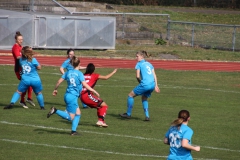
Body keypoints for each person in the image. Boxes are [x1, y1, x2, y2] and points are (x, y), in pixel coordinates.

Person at [47, 56, 100, 135]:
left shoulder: (67, 72)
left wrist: (55, 89)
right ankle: (55, 110)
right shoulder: (79, 74)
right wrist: (93, 90)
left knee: (78, 113)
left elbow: (59, 81)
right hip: (72, 97)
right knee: (71, 117)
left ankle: (73, 131)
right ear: (79, 64)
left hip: (67, 95)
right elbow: (85, 84)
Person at [119, 50, 160, 121]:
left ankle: (128, 114)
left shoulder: (139, 64)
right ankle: (147, 116)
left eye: (137, 56)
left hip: (145, 84)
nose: (136, 57)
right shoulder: (149, 64)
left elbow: (137, 76)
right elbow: (154, 75)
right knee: (144, 98)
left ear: (142, 56)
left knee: (130, 95)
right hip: (152, 85)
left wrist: (140, 82)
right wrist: (156, 85)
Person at [80, 63, 117, 127]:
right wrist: (113, 72)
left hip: (82, 96)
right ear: (93, 69)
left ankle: (101, 121)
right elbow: (106, 77)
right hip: (87, 96)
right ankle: (100, 121)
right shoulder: (94, 75)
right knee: (104, 105)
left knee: (99, 106)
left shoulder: (82, 75)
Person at [11, 31, 35, 108]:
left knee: (29, 82)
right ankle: (22, 101)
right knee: (26, 83)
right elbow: (18, 57)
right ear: (16, 40)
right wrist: (25, 55)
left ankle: (28, 98)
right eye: (19, 39)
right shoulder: (15, 47)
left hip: (24, 68)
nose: (21, 41)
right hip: (19, 69)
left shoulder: (21, 47)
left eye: (22, 39)